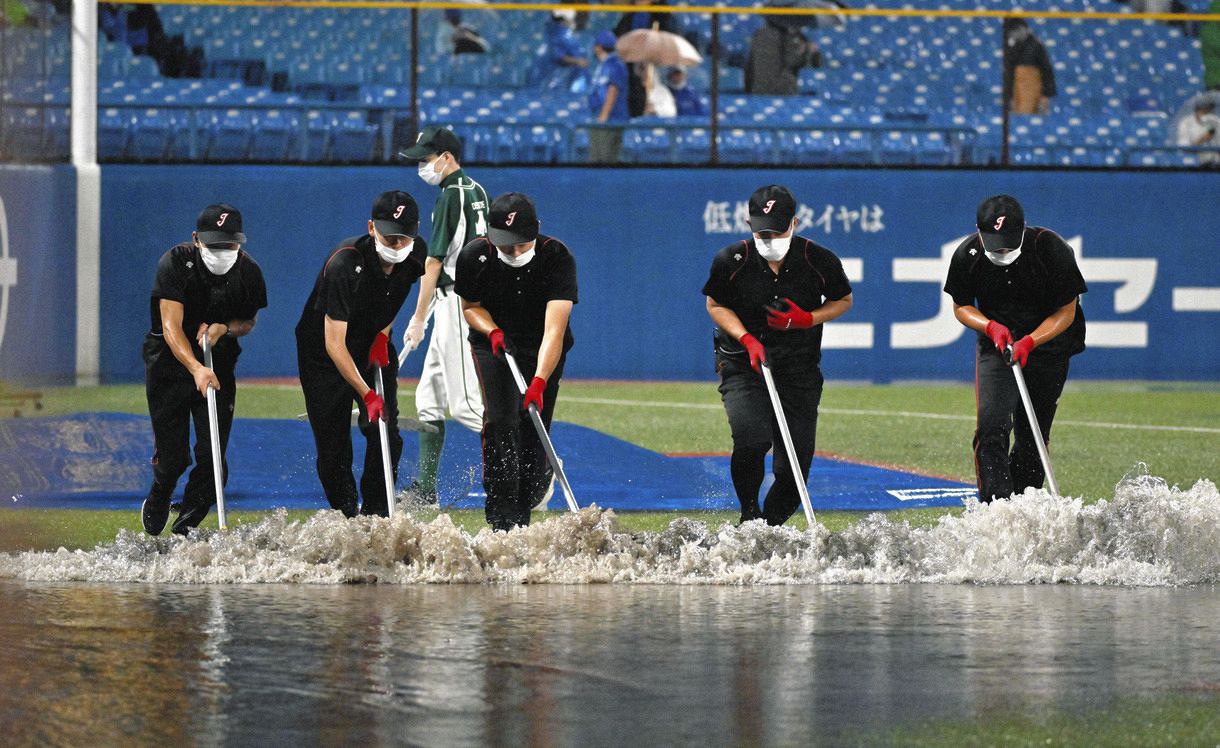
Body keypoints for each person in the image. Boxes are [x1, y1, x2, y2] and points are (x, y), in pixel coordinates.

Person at [702, 185, 853, 526]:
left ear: (795, 224)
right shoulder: (732, 260)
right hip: (743, 362)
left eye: (778, 230)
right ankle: (749, 516)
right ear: (748, 223)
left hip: (798, 368)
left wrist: (808, 319)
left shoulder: (819, 260)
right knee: (752, 438)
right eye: (762, 231)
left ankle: (771, 528)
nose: (770, 238)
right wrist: (746, 338)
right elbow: (715, 304)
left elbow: (844, 299)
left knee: (794, 470)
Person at [943, 195, 1088, 504]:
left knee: (1032, 431)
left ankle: (1025, 505)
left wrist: (1031, 341)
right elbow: (961, 305)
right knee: (991, 425)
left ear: (1023, 229)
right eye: (996, 245)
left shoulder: (1051, 249)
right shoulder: (967, 254)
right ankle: (996, 508)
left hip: (1049, 344)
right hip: (999, 343)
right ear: (979, 233)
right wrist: (989, 326)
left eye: (1010, 243)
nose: (1004, 251)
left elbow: (1067, 311)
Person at [295, 191, 427, 518]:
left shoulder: (415, 254)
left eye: (403, 238)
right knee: (333, 450)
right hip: (325, 354)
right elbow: (334, 343)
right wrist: (367, 394)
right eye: (389, 237)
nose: (396, 245)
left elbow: (393, 297)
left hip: (371, 344)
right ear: (371, 227)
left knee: (385, 434)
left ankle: (376, 517)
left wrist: (383, 335)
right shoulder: (344, 263)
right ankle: (347, 518)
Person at [454, 193, 578, 531]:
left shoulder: (557, 257)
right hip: (493, 345)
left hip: (541, 346)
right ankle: (500, 520)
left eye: (522, 244)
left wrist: (538, 381)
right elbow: (470, 307)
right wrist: (491, 330)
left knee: (532, 430)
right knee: (500, 424)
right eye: (506, 245)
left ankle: (531, 496)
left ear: (536, 230)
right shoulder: (475, 256)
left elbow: (554, 331)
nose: (514, 252)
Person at [141, 204, 267, 536]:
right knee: (173, 459)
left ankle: (185, 531)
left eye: (230, 245)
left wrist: (224, 327)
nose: (222, 253)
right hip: (170, 365)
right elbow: (171, 327)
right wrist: (196, 368)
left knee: (214, 463)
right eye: (214, 245)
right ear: (197, 240)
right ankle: (160, 494)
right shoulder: (175, 263)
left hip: (219, 365)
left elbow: (248, 322)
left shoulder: (249, 273)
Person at [397, 126, 489, 505]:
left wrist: (417, 318)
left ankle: (531, 466)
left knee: (467, 405)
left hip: (458, 303)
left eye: (426, 158)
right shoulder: (478, 189)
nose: (423, 166)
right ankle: (426, 490)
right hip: (455, 296)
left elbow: (434, 261)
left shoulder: (451, 195)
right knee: (428, 398)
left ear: (446, 157)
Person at [588, 30, 630, 163]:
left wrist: (603, 116)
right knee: (597, 159)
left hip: (611, 120)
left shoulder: (615, 64)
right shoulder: (603, 65)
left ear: (599, 47)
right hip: (600, 118)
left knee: (605, 160)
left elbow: (613, 90)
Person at [744, 19, 817, 95]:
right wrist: (803, 52)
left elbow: (749, 67)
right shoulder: (772, 36)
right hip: (777, 91)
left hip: (761, 90)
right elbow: (792, 61)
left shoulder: (760, 33)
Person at [1004, 18, 1056, 115]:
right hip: (1018, 91)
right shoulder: (1014, 47)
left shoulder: (1037, 46)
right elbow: (1010, 73)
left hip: (1033, 89)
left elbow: (1047, 71)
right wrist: (1010, 96)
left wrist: (1045, 95)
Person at [529, 9, 587, 92]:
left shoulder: (554, 30)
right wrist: (578, 61)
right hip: (553, 77)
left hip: (547, 76)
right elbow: (559, 56)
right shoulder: (559, 32)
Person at [1175, 98, 1220, 165]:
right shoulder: (1186, 123)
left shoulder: (1216, 121)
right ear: (1197, 110)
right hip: (1195, 162)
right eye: (1204, 110)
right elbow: (1184, 148)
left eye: (1209, 110)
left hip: (1216, 162)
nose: (1207, 113)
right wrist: (1201, 140)